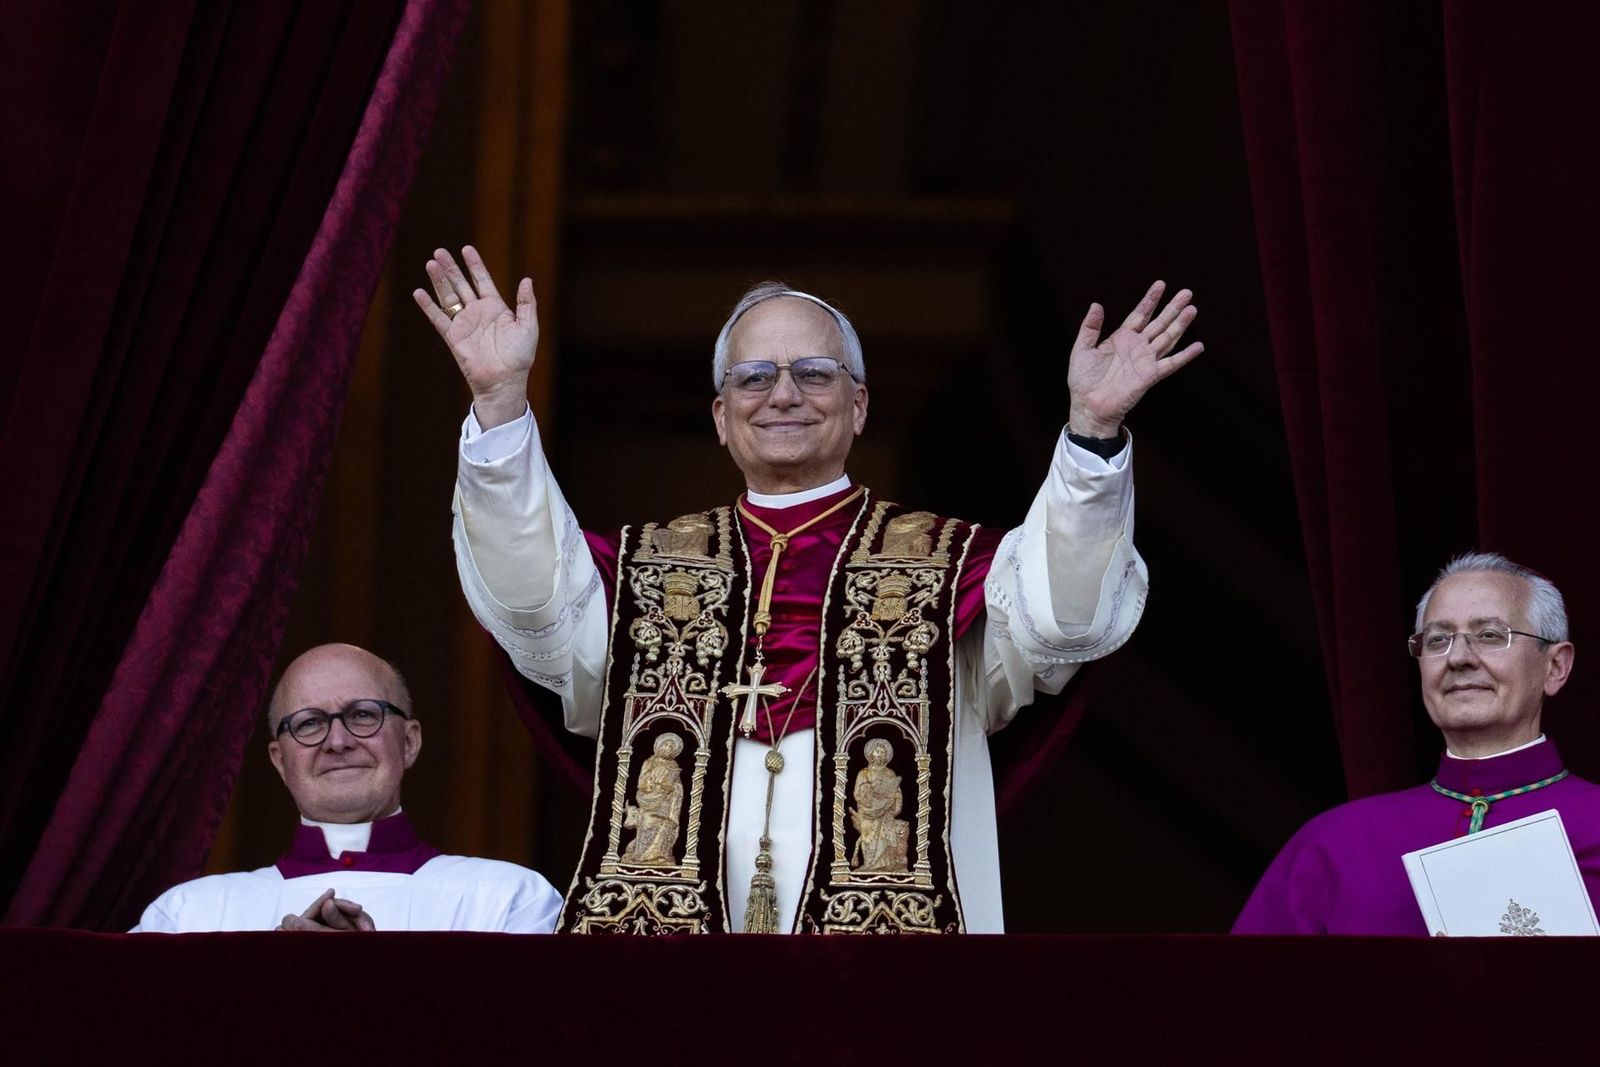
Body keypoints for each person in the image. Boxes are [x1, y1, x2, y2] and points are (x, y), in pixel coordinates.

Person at [417, 248, 1202, 933]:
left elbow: (1062, 619)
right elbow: (535, 609)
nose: (783, 393)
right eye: (754, 376)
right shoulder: (647, 572)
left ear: (859, 405)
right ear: (721, 417)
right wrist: (499, 406)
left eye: (814, 372)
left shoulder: (950, 566)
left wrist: (1091, 433)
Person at [1234, 552, 1600, 935]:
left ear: (1555, 667)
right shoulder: (1335, 843)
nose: (1458, 657)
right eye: (1438, 639)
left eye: (1490, 635)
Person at [132, 643, 562, 933]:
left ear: (409, 742)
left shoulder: (508, 902)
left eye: (362, 715)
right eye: (309, 723)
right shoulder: (188, 918)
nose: (337, 742)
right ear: (280, 761)